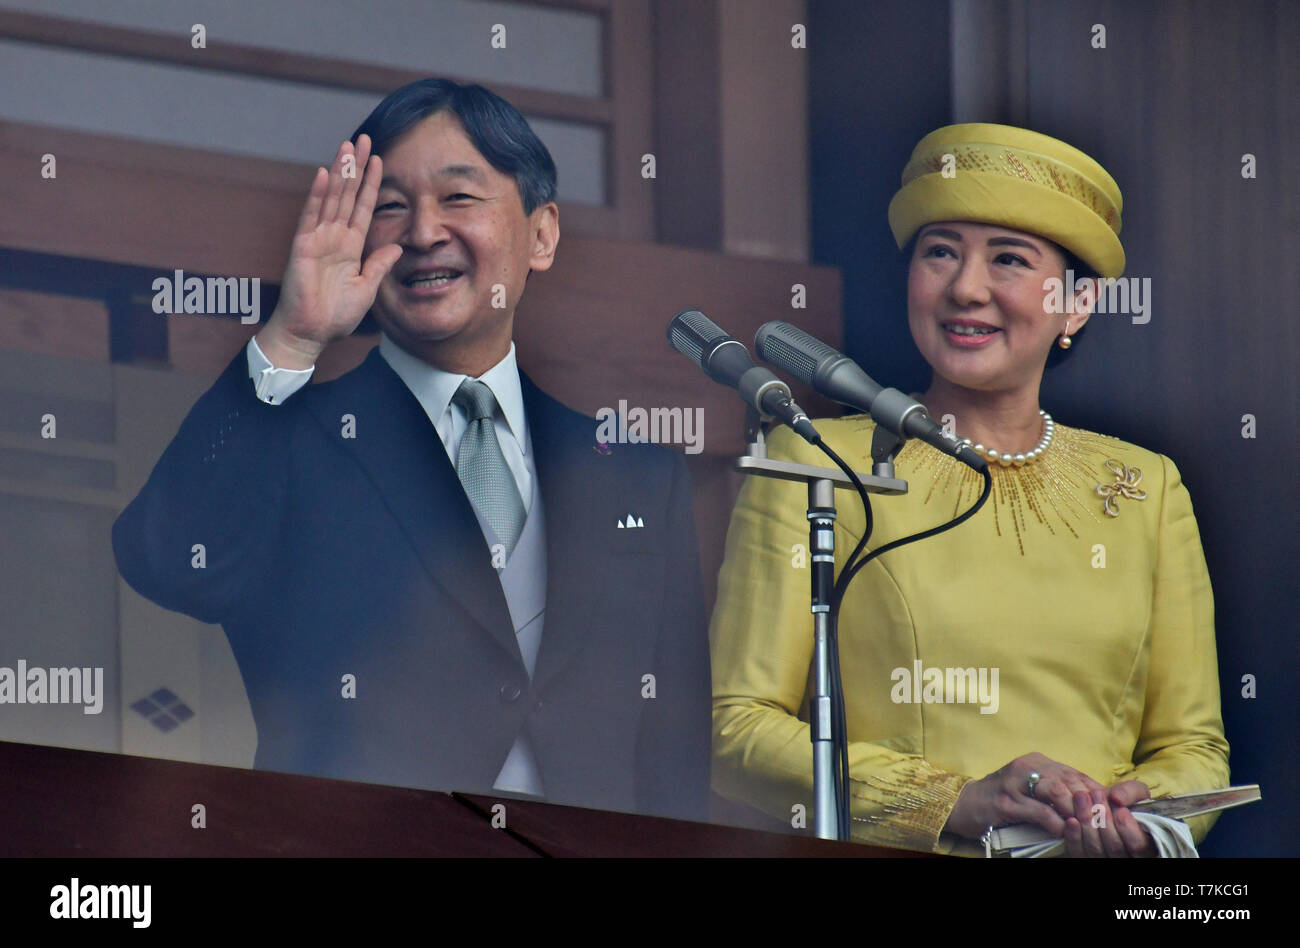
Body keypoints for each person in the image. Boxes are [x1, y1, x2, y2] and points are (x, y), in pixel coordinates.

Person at [112, 78, 710, 823]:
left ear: (543, 233)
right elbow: (166, 561)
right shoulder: (294, 438)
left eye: (459, 198)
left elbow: (674, 758)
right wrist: (292, 338)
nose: (424, 233)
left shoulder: (638, 477)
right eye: (391, 206)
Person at [709, 123, 1229, 855]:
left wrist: (1144, 820)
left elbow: (1195, 748)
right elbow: (739, 730)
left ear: (1076, 306)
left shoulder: (1147, 486)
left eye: (1009, 260)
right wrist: (952, 801)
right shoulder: (818, 460)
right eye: (940, 252)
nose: (966, 288)